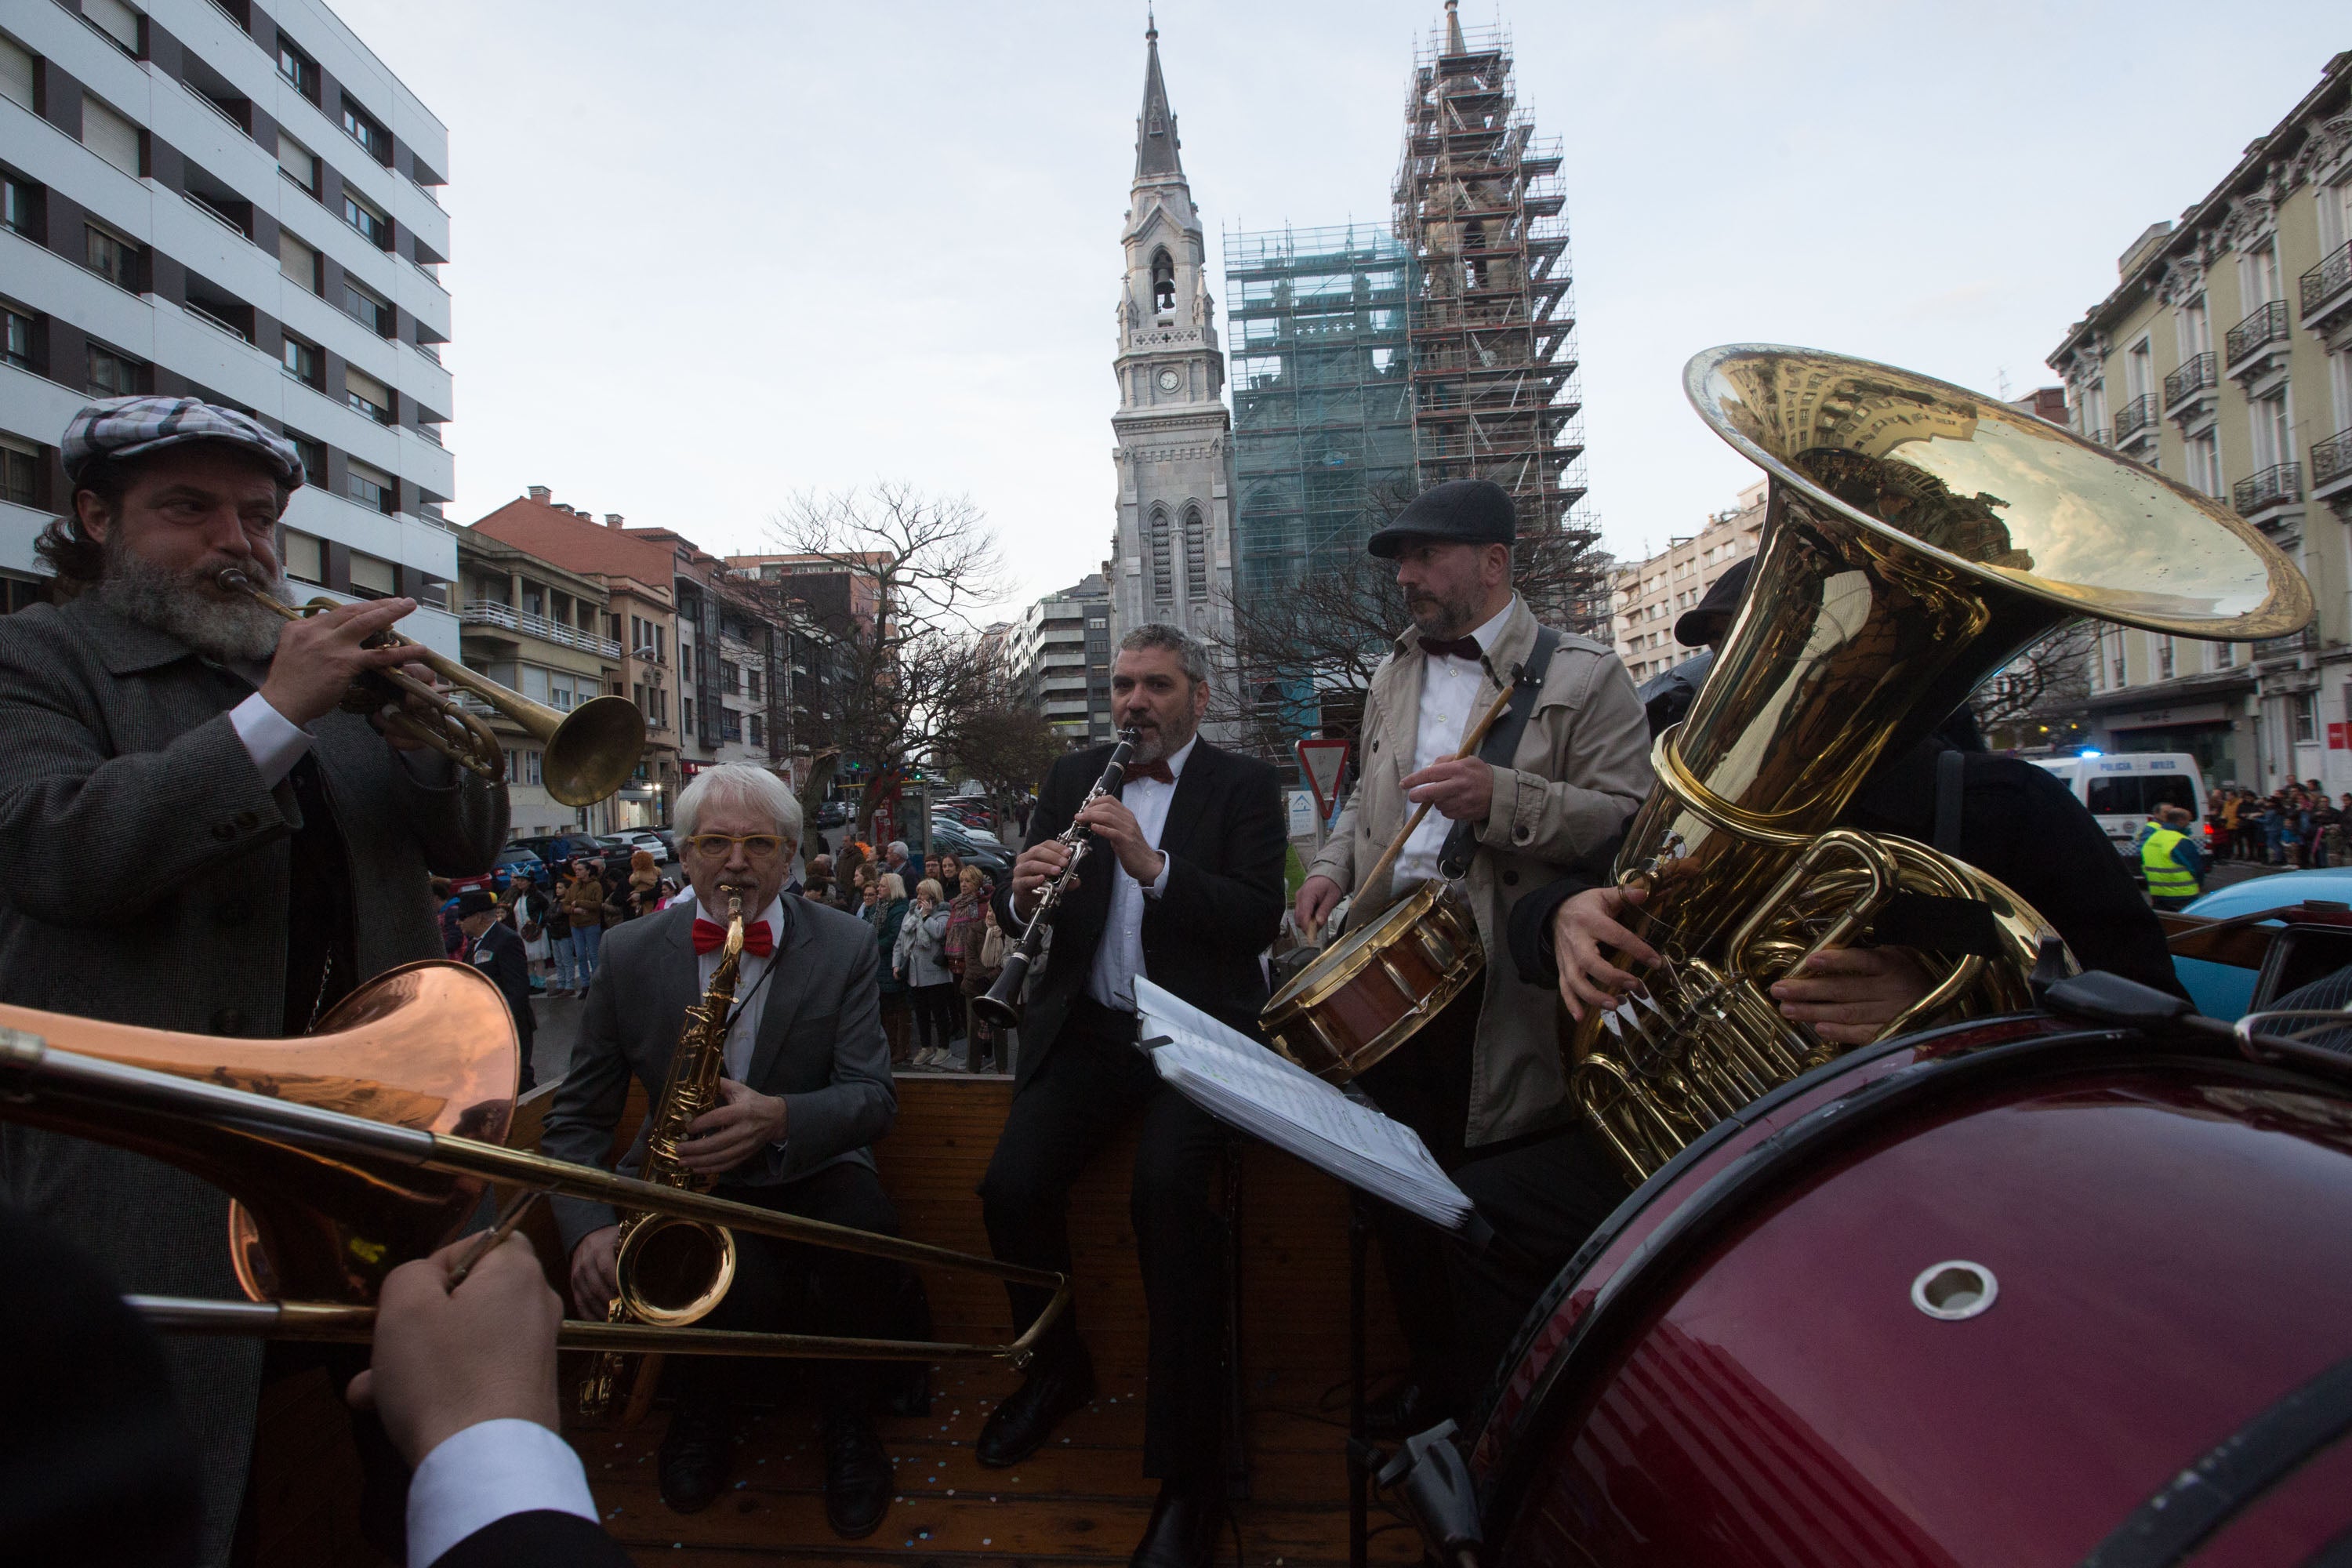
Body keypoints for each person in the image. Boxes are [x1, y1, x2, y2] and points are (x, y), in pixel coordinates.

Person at [0, 394, 507, 1566]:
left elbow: (469, 845)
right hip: (150, 1187)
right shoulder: (39, 657)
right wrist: (278, 712)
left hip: (358, 1173)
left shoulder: (324, 686)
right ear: (95, 518)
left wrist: (424, 736)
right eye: (190, 509)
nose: (239, 541)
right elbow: (55, 846)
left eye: (260, 515)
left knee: (389, 1475)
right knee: (181, 1492)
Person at [1288, 478, 1650, 1432]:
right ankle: (1438, 1387)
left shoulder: (1589, 675)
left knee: (1482, 1214)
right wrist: (1330, 868)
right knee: (1397, 1200)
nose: (1404, 575)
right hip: (1386, 973)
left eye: (1426, 555)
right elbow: (1367, 796)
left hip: (1502, 993)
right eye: (1400, 558)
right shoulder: (1394, 670)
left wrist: (1508, 798)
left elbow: (1634, 827)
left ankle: (1499, 1411)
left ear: (1495, 561)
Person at [977, 624, 1287, 1568]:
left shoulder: (1244, 785)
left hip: (1196, 1032)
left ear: (1198, 693)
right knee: (1009, 1188)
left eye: (1155, 684)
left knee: (1168, 1200)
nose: (1134, 702)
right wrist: (1019, 892)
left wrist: (1153, 868)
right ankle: (1058, 1368)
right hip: (1096, 1031)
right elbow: (1020, 902)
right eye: (1122, 686)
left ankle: (1191, 1477)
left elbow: (1250, 920)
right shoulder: (1076, 774)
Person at [541, 764, 905, 1537]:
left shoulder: (843, 943)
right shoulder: (628, 952)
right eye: (714, 842)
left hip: (811, 1166)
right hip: (684, 1182)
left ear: (789, 857)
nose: (735, 861)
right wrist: (589, 1227)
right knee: (732, 1278)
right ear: (684, 855)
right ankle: (702, 1415)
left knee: (863, 1232)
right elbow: (575, 1119)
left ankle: (849, 1423)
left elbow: (873, 1096)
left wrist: (779, 1116)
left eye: (757, 843)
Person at [456, 888, 538, 1093]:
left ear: (478, 917)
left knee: (519, 1080)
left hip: (508, 1025)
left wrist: (499, 1022)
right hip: (487, 1027)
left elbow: (518, 989)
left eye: (462, 917)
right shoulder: (476, 943)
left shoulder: (505, 940)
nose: (458, 923)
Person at [873, 871, 914, 1065]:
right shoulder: (882, 907)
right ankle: (889, 1046)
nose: (878, 888)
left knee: (897, 1009)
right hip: (882, 965)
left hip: (891, 963)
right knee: (887, 1010)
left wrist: (877, 945)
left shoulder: (898, 910)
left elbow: (895, 935)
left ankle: (900, 1048)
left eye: (882, 886)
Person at [2142, 804, 2208, 911]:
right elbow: (2196, 869)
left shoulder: (2153, 838)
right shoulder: (2179, 840)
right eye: (2188, 821)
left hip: (2158, 893)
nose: (2189, 825)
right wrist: (2199, 885)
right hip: (2183, 894)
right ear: (2181, 821)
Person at [563, 861, 609, 985]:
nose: (577, 872)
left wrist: (579, 902)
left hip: (591, 924)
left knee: (594, 954)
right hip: (576, 925)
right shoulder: (574, 886)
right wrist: (574, 909)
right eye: (576, 869)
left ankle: (597, 982)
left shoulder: (595, 885)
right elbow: (565, 905)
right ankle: (585, 983)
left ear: (588, 871)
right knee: (581, 955)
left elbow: (597, 904)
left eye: (580, 869)